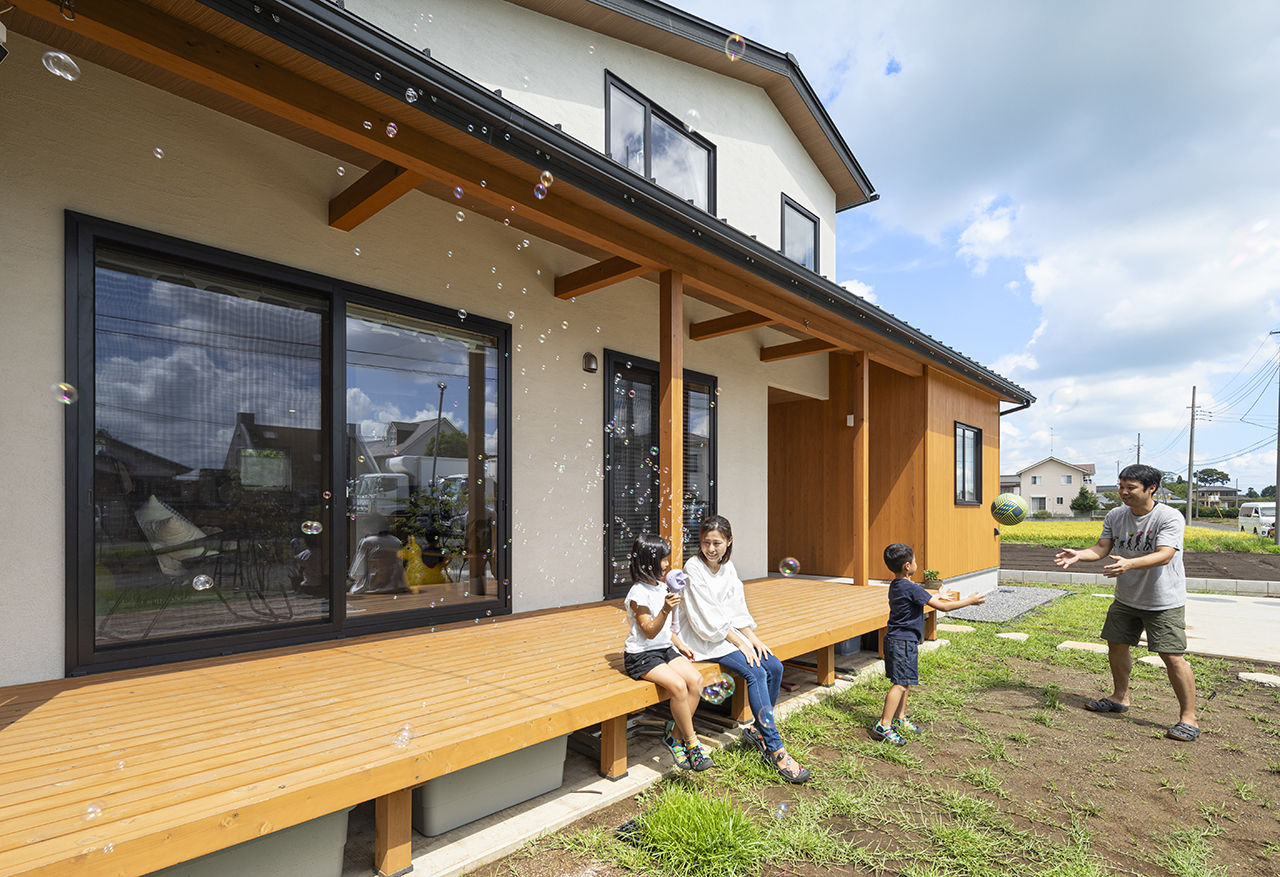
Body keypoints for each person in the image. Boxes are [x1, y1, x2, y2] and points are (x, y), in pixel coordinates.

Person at [1054, 463, 1199, 741]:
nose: (1123, 492)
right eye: (1121, 486)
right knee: (1117, 646)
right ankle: (1120, 698)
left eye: (1130, 487)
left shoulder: (1168, 517)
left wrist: (1129, 564)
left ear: (1151, 488)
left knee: (1171, 656)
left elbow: (1165, 554)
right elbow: (1101, 548)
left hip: (1163, 600)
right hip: (1126, 598)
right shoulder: (1116, 515)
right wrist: (1078, 555)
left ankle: (1188, 718)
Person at [679, 515, 809, 783]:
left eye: (717, 543)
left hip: (728, 634)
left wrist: (753, 638)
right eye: (705, 543)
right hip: (703, 639)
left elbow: (736, 610)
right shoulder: (693, 567)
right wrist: (740, 642)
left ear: (729, 541)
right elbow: (706, 619)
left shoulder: (727, 568)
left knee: (774, 665)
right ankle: (776, 748)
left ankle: (760, 731)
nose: (711, 549)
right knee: (756, 672)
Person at [874, 543, 986, 745]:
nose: (917, 563)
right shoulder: (910, 587)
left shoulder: (898, 585)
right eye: (915, 560)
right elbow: (943, 608)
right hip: (902, 643)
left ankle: (900, 718)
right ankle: (884, 724)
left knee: (905, 681)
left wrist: (936, 595)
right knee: (899, 684)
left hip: (897, 640)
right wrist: (969, 600)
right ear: (908, 566)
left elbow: (922, 598)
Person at [621, 533, 714, 771]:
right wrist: (664, 608)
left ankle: (674, 737)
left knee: (696, 680)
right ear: (649, 562)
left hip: (663, 648)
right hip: (641, 655)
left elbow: (663, 633)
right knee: (679, 686)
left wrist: (679, 643)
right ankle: (692, 744)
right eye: (663, 559)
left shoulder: (662, 586)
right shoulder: (637, 594)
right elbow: (649, 631)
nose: (666, 564)